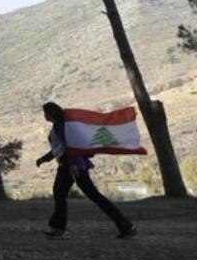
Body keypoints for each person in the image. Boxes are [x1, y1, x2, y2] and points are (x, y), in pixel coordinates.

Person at [36, 101, 138, 239]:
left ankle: (59, 229)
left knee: (63, 194)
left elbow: (71, 145)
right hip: (72, 165)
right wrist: (44, 159)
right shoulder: (59, 126)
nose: (44, 116)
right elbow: (58, 148)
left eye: (45, 113)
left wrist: (72, 164)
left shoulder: (62, 127)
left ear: (50, 114)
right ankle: (125, 226)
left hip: (71, 166)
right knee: (90, 196)